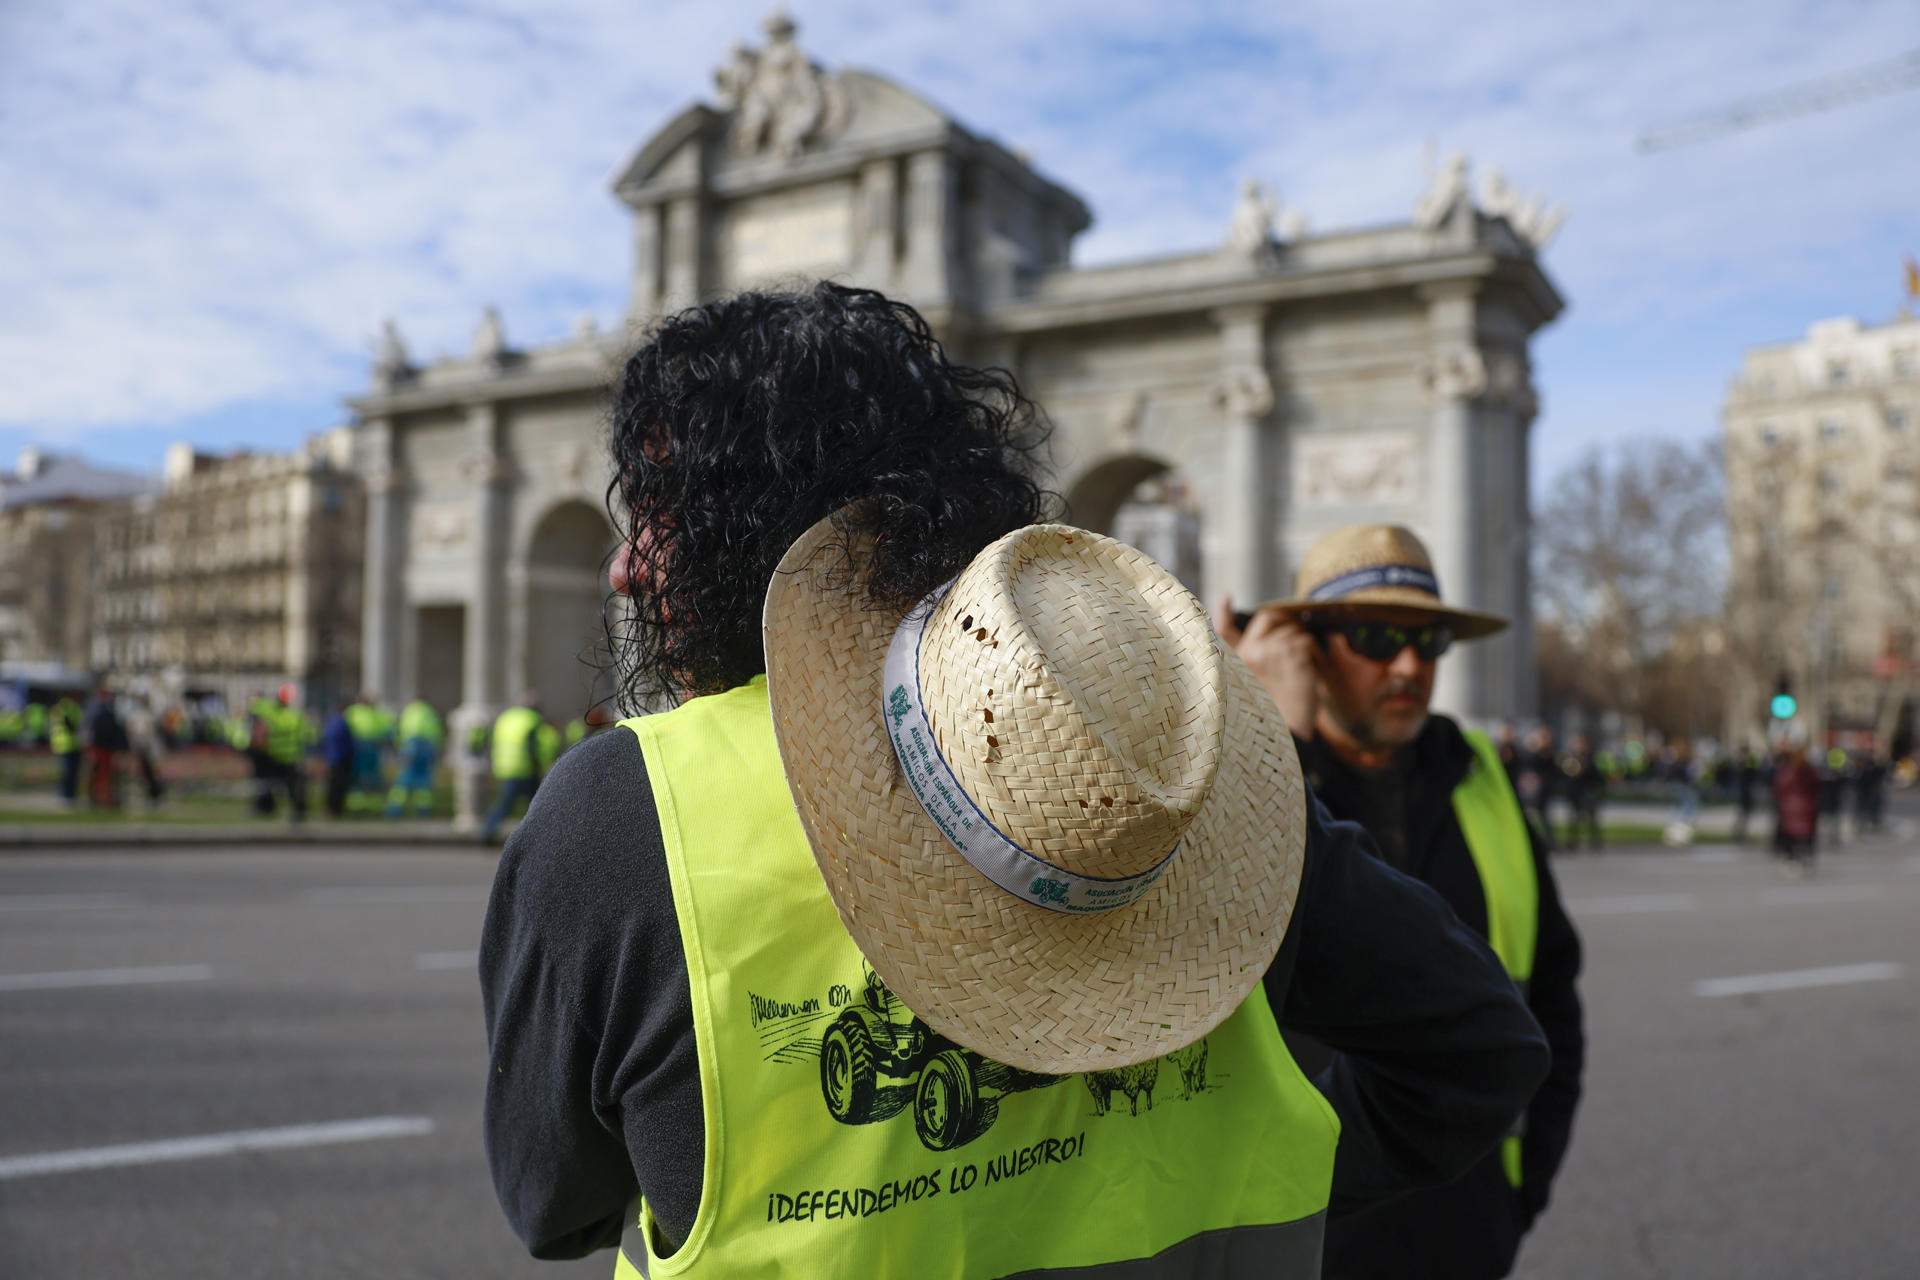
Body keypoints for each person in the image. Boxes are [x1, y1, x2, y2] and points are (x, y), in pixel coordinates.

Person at [479, 285, 1547, 1277]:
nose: (626, 563)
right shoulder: (1202, 786)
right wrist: (1286, 1169)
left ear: (742, 529)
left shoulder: (620, 813)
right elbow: (1479, 1049)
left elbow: (552, 1203)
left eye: (661, 510)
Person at [1216, 522, 1585, 1280]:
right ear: (1305, 645)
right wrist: (1269, 732)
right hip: (1297, 1231)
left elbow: (1553, 995)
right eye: (1378, 638)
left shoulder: (1480, 772)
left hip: (1467, 1221)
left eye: (1430, 642)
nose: (1411, 666)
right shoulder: (1248, 777)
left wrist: (1524, 1192)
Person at [480, 694, 545, 843]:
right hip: (525, 768)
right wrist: (539, 766)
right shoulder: (532, 719)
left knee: (505, 803)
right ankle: (540, 836)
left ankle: (487, 831)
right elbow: (532, 746)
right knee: (537, 804)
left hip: (504, 767)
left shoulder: (506, 717)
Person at [386, 696, 444, 818]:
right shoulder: (429, 712)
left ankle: (394, 810)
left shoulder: (409, 710)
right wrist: (436, 750)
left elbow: (400, 730)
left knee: (404, 778)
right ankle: (423, 811)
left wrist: (399, 748)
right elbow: (436, 732)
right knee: (423, 780)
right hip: (427, 747)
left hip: (410, 746)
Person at [1772, 744, 1820, 870]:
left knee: (1791, 834)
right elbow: (1816, 787)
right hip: (1805, 807)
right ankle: (1803, 856)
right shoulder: (1808, 771)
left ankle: (1792, 856)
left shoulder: (1787, 772)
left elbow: (1779, 788)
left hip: (1791, 808)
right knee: (1804, 834)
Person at [83, 686, 128, 809]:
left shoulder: (105, 711)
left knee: (105, 774)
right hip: (100, 748)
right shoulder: (99, 711)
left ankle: (103, 798)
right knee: (101, 774)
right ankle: (100, 798)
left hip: (105, 748)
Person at [1559, 733, 1604, 851]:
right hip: (1575, 792)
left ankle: (1595, 843)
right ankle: (1572, 842)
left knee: (1591, 819)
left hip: (1587, 792)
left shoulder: (1591, 758)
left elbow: (1598, 776)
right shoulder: (1570, 757)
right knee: (1573, 819)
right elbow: (1565, 774)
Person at [320, 701, 356, 819]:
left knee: (332, 785)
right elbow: (347, 743)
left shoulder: (331, 722)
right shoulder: (342, 723)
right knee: (338, 786)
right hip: (340, 758)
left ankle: (331, 809)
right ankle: (335, 810)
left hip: (332, 757)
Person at [49, 693, 83, 807]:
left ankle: (69, 796)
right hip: (67, 745)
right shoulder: (67, 709)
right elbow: (72, 725)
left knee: (69, 773)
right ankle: (66, 796)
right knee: (68, 773)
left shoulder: (61, 709)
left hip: (69, 745)